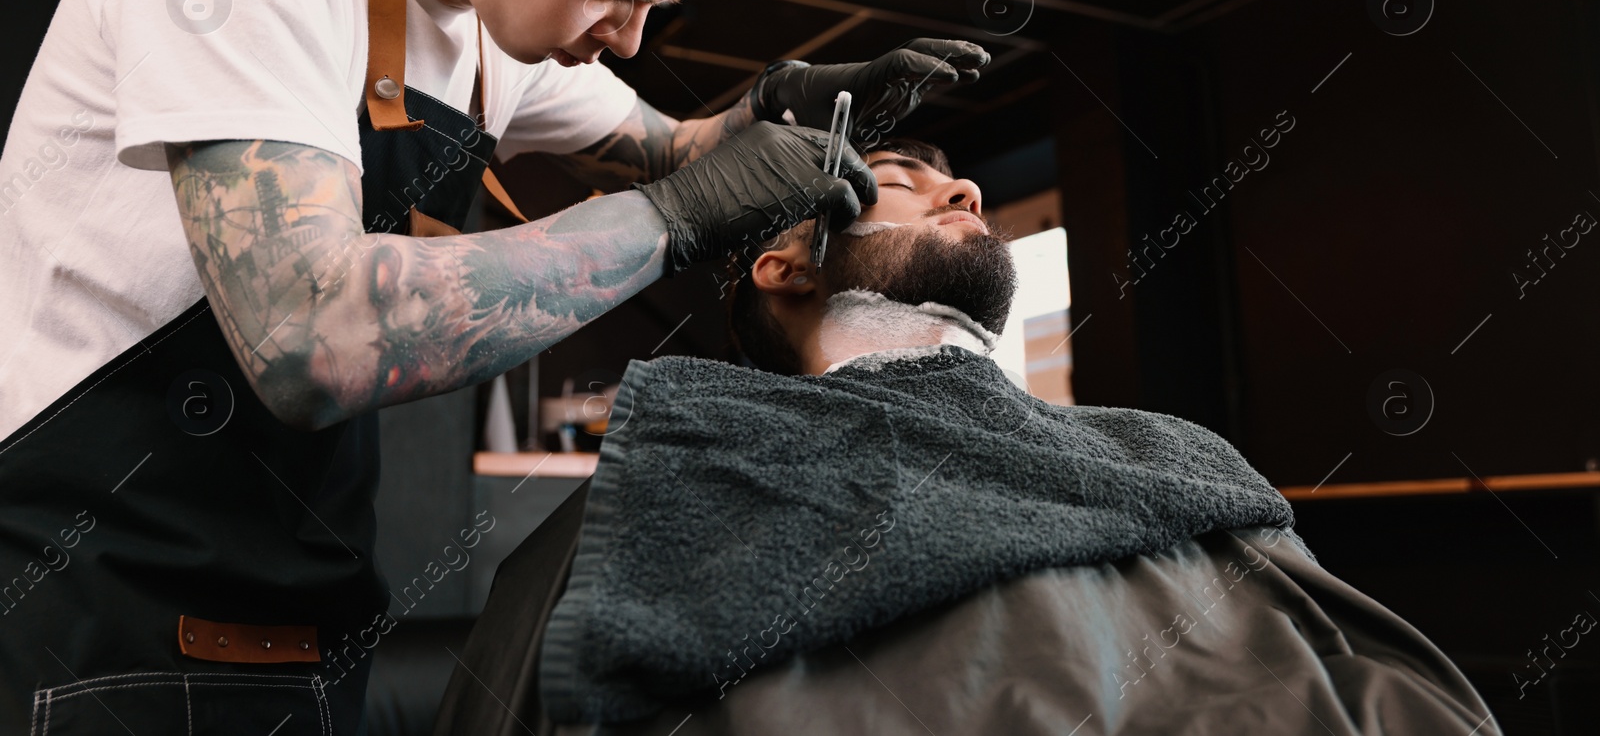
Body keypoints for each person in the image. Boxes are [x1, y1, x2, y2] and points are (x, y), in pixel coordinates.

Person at [0, 0, 988, 734]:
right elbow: (307, 334)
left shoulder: (493, 37)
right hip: (106, 606)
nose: (629, 35)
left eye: (655, 4)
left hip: (295, 610)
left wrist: (771, 103)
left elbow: (668, 144)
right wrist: (674, 215)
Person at [435, 139, 1502, 736]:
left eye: (958, 178)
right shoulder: (681, 470)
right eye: (900, 177)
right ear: (783, 263)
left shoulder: (1154, 446)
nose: (966, 188)